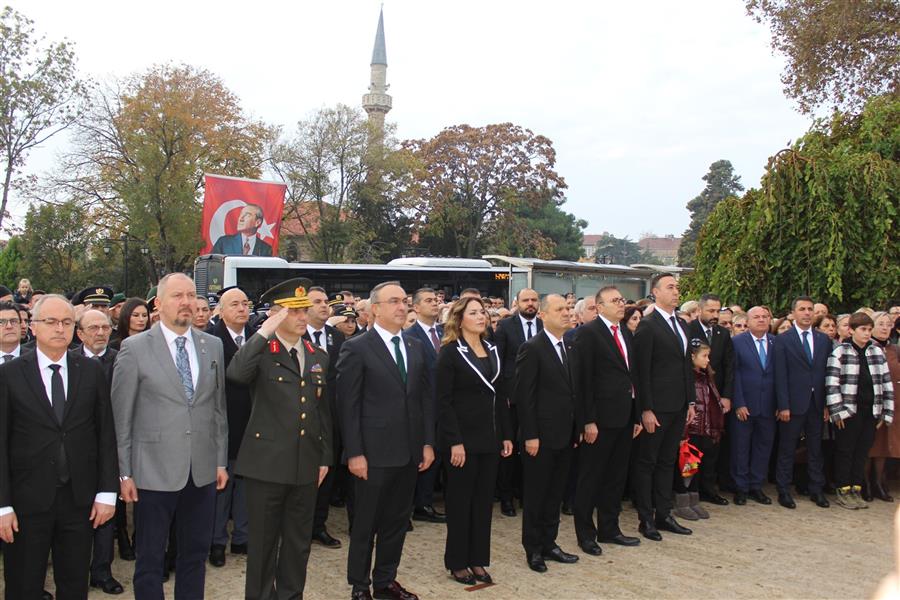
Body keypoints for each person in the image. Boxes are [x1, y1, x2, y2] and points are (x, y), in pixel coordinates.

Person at [111, 273, 228, 600]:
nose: (187, 302)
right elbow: (122, 418)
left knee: (194, 555)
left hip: (201, 470)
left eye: (191, 295)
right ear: (158, 304)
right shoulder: (133, 349)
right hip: (152, 472)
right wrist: (125, 472)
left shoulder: (212, 345)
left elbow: (218, 409)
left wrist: (220, 460)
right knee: (149, 559)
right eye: (178, 296)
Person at [0, 294, 118, 599]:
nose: (59, 328)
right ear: (33, 327)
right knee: (23, 585)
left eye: (66, 322)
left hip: (79, 501)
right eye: (50, 321)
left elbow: (105, 433)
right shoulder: (10, 374)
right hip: (26, 502)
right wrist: (3, 504)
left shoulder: (90, 371)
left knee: (74, 583)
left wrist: (107, 492)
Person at [227, 278, 332, 600]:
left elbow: (322, 411)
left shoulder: (317, 355)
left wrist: (325, 457)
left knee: (298, 544)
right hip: (266, 466)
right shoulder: (262, 352)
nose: (303, 317)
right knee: (262, 545)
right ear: (275, 315)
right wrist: (263, 332)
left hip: (305, 463)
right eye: (294, 311)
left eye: (305, 310)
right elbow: (235, 374)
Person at [336, 280, 435, 600]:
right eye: (393, 301)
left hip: (408, 452)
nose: (402, 306)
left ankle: (385, 580)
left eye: (404, 300)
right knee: (366, 524)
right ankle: (360, 585)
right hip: (372, 455)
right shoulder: (357, 347)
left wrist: (427, 443)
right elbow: (347, 405)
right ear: (375, 309)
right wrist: (354, 453)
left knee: (396, 523)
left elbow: (423, 401)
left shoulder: (415, 347)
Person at [437, 297, 511, 585]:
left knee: (482, 504)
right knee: (460, 503)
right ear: (460, 318)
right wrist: (454, 441)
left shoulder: (493, 349)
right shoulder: (450, 353)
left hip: (489, 439)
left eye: (483, 312)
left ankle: (478, 559)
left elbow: (500, 396)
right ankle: (457, 561)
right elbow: (443, 402)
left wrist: (505, 434)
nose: (481, 317)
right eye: (474, 313)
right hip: (462, 442)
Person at [572, 285, 642, 556]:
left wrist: (636, 415)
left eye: (622, 300)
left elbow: (630, 376)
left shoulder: (624, 331)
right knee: (590, 478)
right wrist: (587, 420)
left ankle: (610, 528)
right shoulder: (588, 333)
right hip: (599, 420)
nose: (621, 304)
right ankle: (585, 534)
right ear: (599, 307)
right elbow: (583, 380)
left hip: (624, 416)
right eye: (614, 301)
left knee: (615, 477)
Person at [515, 294, 579, 572]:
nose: (567, 313)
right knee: (537, 496)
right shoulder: (532, 348)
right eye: (559, 309)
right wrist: (530, 435)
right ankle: (534, 549)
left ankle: (550, 543)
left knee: (555, 494)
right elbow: (524, 397)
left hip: (565, 435)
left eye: (568, 308)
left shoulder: (569, 346)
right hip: (540, 438)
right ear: (543, 315)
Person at [632, 273, 696, 541]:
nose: (676, 291)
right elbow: (640, 371)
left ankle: (664, 513)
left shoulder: (681, 324)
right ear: (655, 292)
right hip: (656, 407)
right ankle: (646, 519)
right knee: (647, 462)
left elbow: (686, 366)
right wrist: (645, 409)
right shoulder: (648, 325)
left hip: (678, 405)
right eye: (670, 287)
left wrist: (690, 400)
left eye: (677, 287)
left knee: (667, 461)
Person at [76, 308, 128, 594]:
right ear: (80, 333)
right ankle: (77, 568)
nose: (100, 333)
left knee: (109, 508)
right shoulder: (70, 361)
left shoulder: (121, 359)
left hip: (113, 447)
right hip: (79, 450)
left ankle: (102, 570)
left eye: (105, 327)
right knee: (78, 513)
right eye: (93, 328)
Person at [826, 312, 895, 509]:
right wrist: (837, 411)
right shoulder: (841, 352)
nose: (866, 333)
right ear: (851, 330)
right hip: (849, 411)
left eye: (868, 330)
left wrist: (886, 412)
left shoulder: (876, 352)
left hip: (870, 411)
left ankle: (856, 488)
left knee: (862, 452)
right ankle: (843, 489)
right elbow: (832, 383)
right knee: (845, 451)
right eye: (862, 330)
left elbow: (886, 383)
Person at [208, 287, 254, 568]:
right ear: (221, 311)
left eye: (245, 303)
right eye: (234, 304)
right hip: (223, 423)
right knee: (221, 487)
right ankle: (216, 541)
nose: (241, 309)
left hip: (253, 424)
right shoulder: (212, 340)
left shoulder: (259, 337)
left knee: (246, 484)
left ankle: (242, 537)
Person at [773, 296, 831, 510]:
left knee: (816, 449)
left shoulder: (823, 340)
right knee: (787, 448)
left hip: (816, 404)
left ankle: (817, 489)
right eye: (802, 309)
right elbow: (780, 375)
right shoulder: (783, 340)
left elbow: (826, 374)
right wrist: (783, 405)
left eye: (810, 309)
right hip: (793, 404)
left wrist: (825, 404)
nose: (807, 313)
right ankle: (784, 490)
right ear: (794, 313)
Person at [302, 286, 348, 549]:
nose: (323, 306)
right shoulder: (295, 336)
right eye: (317, 301)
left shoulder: (336, 337)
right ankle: (299, 527)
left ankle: (318, 525)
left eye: (325, 302)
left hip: (331, 416)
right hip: (305, 414)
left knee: (326, 472)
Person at [494, 288, 542, 517]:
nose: (530, 304)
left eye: (534, 300)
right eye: (526, 300)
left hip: (538, 399)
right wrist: (502, 395)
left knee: (532, 450)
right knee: (509, 449)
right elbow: (499, 364)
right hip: (511, 399)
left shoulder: (543, 326)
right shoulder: (505, 327)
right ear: (517, 302)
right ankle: (506, 498)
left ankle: (527, 494)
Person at [687, 293, 735, 501]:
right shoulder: (688, 330)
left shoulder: (723, 334)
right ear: (700, 310)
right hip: (695, 395)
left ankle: (709, 489)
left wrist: (726, 396)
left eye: (718, 311)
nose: (715, 315)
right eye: (711, 311)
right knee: (693, 447)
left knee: (712, 446)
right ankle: (690, 491)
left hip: (715, 398)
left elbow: (729, 366)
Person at [404, 288, 446, 525]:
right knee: (419, 456)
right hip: (421, 406)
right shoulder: (410, 336)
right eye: (428, 301)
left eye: (436, 300)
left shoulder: (444, 333)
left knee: (436, 456)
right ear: (416, 308)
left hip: (443, 406)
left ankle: (425, 502)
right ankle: (412, 504)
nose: (435, 304)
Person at [675, 339, 728, 520]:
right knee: (686, 467)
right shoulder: (687, 378)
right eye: (704, 356)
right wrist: (683, 433)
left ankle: (693, 499)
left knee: (696, 467)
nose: (707, 360)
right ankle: (682, 501)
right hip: (691, 429)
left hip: (704, 428)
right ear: (692, 356)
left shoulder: (706, 376)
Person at [730, 306, 777, 506]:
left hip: (769, 405)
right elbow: (734, 374)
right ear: (747, 321)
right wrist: (739, 403)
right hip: (744, 405)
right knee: (741, 447)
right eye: (756, 317)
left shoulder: (777, 342)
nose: (761, 320)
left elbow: (782, 375)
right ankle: (740, 487)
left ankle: (756, 486)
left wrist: (780, 403)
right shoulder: (736, 342)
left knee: (763, 447)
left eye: (765, 317)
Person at [867, 312, 900, 502]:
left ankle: (879, 482)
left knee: (883, 447)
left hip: (892, 403)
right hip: (870, 404)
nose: (885, 327)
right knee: (869, 447)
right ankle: (866, 484)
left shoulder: (894, 349)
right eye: (881, 324)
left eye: (888, 324)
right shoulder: (867, 347)